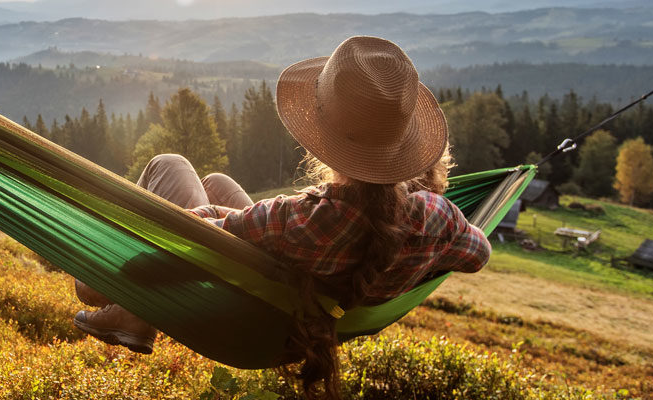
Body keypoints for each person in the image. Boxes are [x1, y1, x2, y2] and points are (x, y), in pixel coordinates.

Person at [71, 36, 491, 397]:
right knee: (216, 180)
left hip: (247, 314)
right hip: (304, 313)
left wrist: (112, 265)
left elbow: (190, 248)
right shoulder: (440, 219)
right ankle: (135, 314)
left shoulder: (296, 220)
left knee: (169, 164)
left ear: (322, 135)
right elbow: (479, 255)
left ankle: (135, 313)